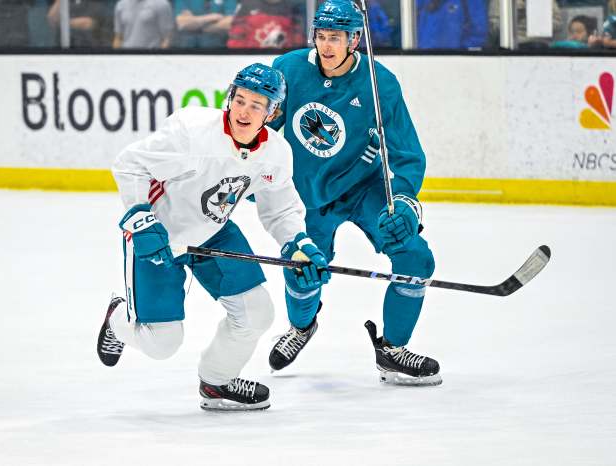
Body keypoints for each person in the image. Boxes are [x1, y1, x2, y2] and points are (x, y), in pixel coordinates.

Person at [96, 63, 330, 411]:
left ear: (272, 112)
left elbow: (280, 209)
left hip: (214, 232)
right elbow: (130, 164)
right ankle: (118, 319)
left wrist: (299, 245)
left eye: (256, 105)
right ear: (230, 98)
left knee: (257, 313)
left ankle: (217, 382)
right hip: (159, 236)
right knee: (162, 344)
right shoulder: (191, 132)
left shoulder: (276, 153)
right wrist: (140, 218)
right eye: (240, 100)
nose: (244, 111)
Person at [267, 0, 441, 386]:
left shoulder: (381, 83)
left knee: (415, 256)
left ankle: (393, 350)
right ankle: (301, 327)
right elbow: (261, 136)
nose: (326, 46)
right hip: (307, 194)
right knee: (302, 272)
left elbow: (407, 154)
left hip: (367, 189)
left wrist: (406, 204)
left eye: (336, 38)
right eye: (321, 36)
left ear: (355, 40)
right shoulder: (289, 69)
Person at [226, 0, 305, 49]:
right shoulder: (247, 4)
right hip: (250, 57)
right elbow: (235, 40)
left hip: (282, 57)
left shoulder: (294, 7)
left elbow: (298, 41)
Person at [416, 0, 488, 49]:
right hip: (422, 59)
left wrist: (459, 54)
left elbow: (478, 34)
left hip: (454, 62)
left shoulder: (471, 2)